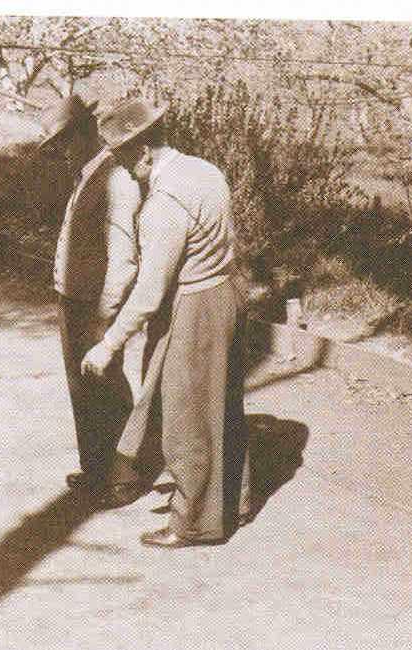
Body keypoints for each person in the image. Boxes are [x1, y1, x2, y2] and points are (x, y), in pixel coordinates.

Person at [81, 98, 250, 546]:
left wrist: (108, 344)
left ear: (143, 152)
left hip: (194, 305)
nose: (120, 168)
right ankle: (235, 499)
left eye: (121, 158)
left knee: (187, 414)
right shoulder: (204, 170)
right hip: (225, 292)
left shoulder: (163, 204)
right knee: (223, 404)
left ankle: (194, 522)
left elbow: (150, 292)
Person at [37, 94, 142, 496]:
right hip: (72, 299)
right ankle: (95, 468)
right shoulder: (85, 175)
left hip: (96, 304)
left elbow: (123, 257)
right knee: (82, 389)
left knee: (107, 387)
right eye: (54, 147)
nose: (60, 153)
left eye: (63, 143)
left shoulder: (115, 179)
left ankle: (124, 475)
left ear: (84, 134)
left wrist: (108, 313)